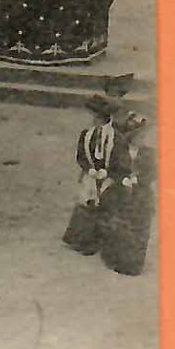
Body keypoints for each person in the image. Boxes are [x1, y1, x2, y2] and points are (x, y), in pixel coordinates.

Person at [99, 110, 154, 276]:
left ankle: (133, 263)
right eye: (137, 136)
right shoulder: (118, 151)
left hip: (141, 194)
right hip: (121, 190)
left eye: (142, 136)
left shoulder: (149, 153)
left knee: (139, 226)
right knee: (117, 223)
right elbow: (112, 169)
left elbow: (153, 173)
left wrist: (139, 180)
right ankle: (115, 258)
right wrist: (121, 178)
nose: (141, 139)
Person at [65, 94, 120, 255]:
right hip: (91, 174)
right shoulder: (86, 134)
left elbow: (118, 157)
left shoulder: (115, 137)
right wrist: (88, 168)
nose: (94, 120)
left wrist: (108, 172)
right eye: (94, 116)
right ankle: (81, 239)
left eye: (97, 117)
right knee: (85, 205)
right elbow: (81, 155)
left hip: (108, 177)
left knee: (103, 206)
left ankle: (98, 240)